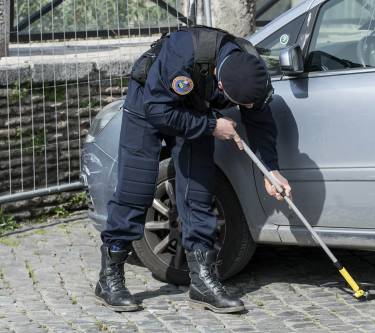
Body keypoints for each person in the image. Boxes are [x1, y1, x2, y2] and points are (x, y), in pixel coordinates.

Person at [95, 27, 292, 313]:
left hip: (196, 107)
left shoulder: (251, 70)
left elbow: (259, 120)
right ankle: (109, 278)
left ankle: (202, 282)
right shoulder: (182, 57)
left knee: (198, 190)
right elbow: (158, 110)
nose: (247, 107)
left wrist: (270, 170)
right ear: (221, 86)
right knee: (135, 189)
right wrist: (212, 126)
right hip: (150, 102)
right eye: (240, 105)